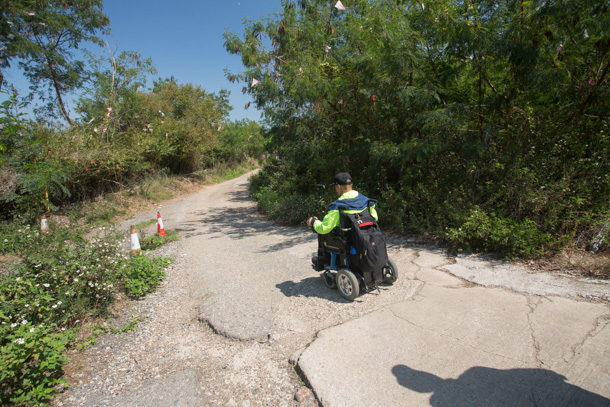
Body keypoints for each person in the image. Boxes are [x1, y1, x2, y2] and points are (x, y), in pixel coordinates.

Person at [306, 172, 378, 270]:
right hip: (368, 234)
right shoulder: (367, 201)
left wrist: (314, 221)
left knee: (322, 234)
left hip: (348, 240)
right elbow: (375, 218)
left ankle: (322, 262)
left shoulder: (337, 206)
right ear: (351, 184)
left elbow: (324, 228)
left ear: (338, 186)